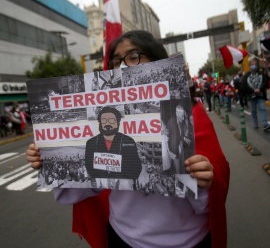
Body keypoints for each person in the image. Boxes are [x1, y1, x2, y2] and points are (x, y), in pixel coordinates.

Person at [26, 30, 230, 248]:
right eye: (115, 62)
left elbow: (211, 198)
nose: (122, 67)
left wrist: (204, 179)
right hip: (121, 238)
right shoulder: (100, 120)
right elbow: (88, 183)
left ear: (159, 62)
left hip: (187, 242)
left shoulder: (186, 114)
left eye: (133, 57)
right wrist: (51, 159)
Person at [85, 106, 142, 180]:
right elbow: (90, 169)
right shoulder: (91, 143)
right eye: (104, 120)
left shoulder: (128, 141)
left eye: (111, 120)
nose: (107, 124)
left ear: (117, 123)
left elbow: (135, 170)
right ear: (100, 123)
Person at [242, 59, 270, 130]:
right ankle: (255, 123)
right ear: (250, 66)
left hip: (261, 95)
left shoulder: (261, 74)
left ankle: (265, 124)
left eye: (255, 64)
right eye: (252, 64)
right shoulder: (246, 76)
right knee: (253, 110)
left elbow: (265, 82)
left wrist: (259, 89)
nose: (254, 66)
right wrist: (253, 90)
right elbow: (244, 86)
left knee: (262, 108)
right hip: (252, 96)